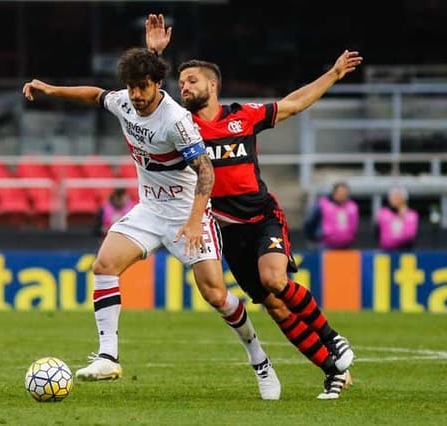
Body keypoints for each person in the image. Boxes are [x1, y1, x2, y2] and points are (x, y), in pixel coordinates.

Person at [23, 47, 281, 400]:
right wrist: (53, 90)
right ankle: (108, 356)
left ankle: (260, 359)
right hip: (149, 210)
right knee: (104, 264)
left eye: (142, 87)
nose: (136, 96)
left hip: (187, 214)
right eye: (131, 88)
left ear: (158, 84)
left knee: (216, 295)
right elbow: (96, 96)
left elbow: (205, 173)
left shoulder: (176, 121)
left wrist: (193, 222)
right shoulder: (126, 102)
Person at [145, 14, 360, 399]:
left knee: (276, 279)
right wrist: (153, 54)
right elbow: (145, 98)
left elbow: (292, 104)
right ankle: (332, 370)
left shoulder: (243, 116)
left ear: (213, 85)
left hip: (262, 217)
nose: (184, 87)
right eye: (180, 82)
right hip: (227, 232)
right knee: (276, 308)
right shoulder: (180, 126)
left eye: (191, 80)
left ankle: (333, 338)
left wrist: (332, 74)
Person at [304, 182, 360, 249]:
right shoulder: (322, 204)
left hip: (347, 245)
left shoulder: (352, 207)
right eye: (340, 193)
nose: (342, 195)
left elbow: (354, 226)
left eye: (345, 193)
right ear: (334, 193)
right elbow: (311, 221)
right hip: (325, 245)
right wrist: (313, 237)